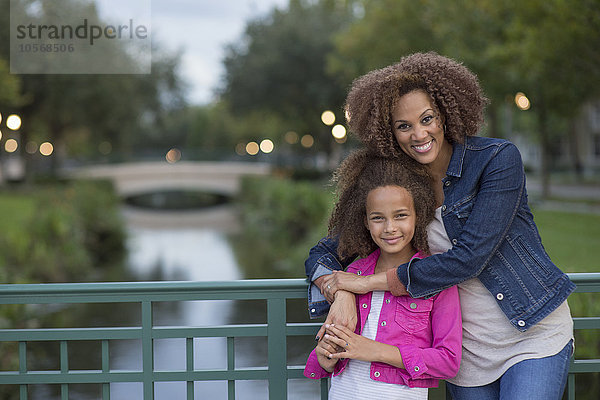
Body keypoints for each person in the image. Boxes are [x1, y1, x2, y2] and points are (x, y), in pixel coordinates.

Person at [305, 52, 575, 400]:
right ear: (390, 133)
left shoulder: (496, 160)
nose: (419, 134)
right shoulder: (398, 184)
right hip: (465, 352)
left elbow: (469, 258)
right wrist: (340, 292)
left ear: (445, 114)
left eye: (427, 118)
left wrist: (365, 282)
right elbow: (323, 254)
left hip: (531, 330)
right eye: (404, 126)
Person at [304, 149, 462, 399]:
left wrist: (374, 351)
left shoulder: (436, 279)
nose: (390, 228)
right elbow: (329, 356)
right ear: (365, 222)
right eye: (378, 218)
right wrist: (324, 356)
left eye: (400, 216)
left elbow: (448, 361)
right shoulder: (351, 276)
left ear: (418, 216)